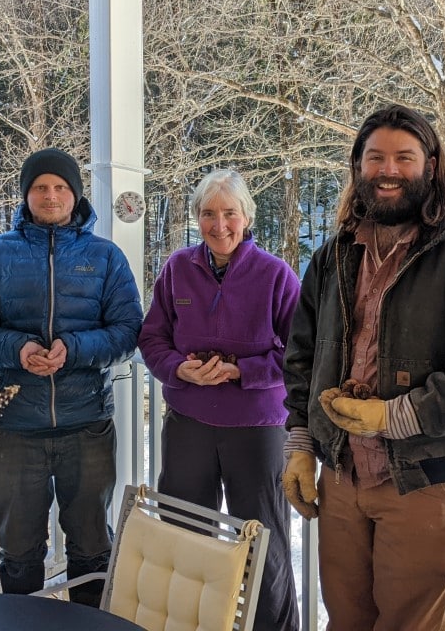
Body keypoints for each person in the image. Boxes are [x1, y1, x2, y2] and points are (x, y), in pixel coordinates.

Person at [282, 105, 445, 631]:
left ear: (433, 163)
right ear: (358, 168)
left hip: (423, 477)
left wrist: (390, 417)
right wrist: (301, 447)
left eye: (404, 156)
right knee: (345, 620)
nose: (388, 169)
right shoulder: (333, 256)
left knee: (410, 624)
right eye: (375, 157)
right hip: (343, 474)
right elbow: (303, 356)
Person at [0, 147, 142, 605]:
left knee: (92, 547)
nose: (51, 195)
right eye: (41, 186)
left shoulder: (105, 257)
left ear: (75, 195)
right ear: (26, 194)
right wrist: (18, 349)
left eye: (61, 187)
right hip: (16, 427)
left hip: (88, 426)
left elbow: (128, 330)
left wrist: (74, 349)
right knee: (18, 552)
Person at [138, 169, 302, 631]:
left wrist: (241, 370)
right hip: (189, 421)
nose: (219, 224)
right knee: (186, 535)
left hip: (256, 426)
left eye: (230, 213)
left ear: (246, 216)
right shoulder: (177, 268)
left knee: (262, 543)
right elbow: (152, 338)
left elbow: (300, 352)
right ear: (196, 219)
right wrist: (177, 367)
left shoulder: (276, 275)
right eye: (208, 214)